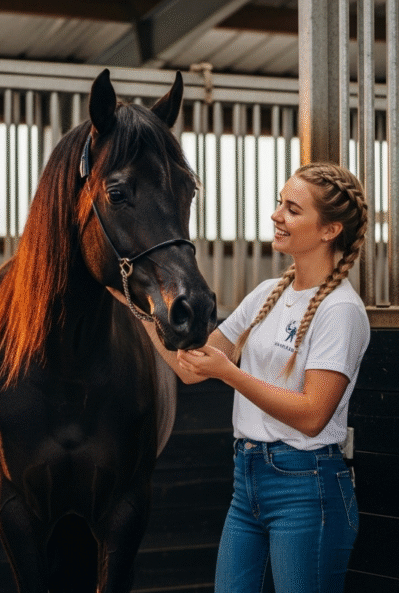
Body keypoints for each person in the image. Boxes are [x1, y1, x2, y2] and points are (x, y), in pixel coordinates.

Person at [112, 162, 369, 592]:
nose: (276, 216)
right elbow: (191, 366)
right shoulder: (267, 293)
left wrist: (231, 374)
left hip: (306, 488)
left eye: (292, 209)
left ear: (329, 231)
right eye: (278, 203)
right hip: (247, 481)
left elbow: (311, 415)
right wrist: (135, 305)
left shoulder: (341, 311)